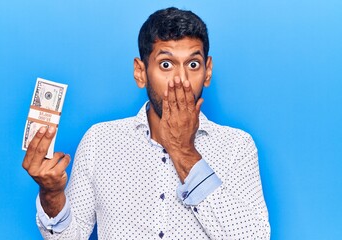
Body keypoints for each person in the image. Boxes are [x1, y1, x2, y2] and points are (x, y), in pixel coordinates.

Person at [22, 7, 270, 239]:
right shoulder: (100, 140)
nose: (181, 80)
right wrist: (51, 194)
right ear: (140, 73)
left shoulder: (236, 146)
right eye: (166, 64)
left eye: (193, 64)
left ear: (207, 71)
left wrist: (184, 152)